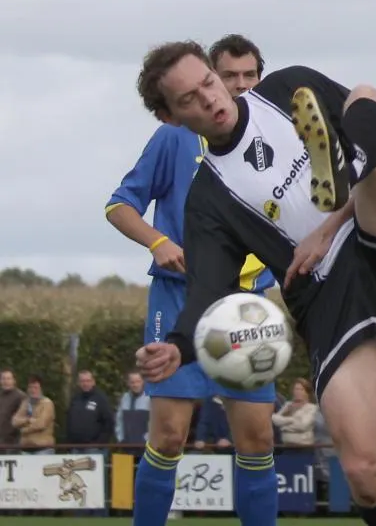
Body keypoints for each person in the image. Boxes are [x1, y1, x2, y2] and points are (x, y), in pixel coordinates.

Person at [130, 41, 376, 526]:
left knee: (367, 100)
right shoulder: (207, 199)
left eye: (208, 82)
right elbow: (208, 291)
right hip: (330, 294)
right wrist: (178, 346)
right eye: (189, 99)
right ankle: (344, 174)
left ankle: (347, 170)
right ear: (170, 118)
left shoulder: (290, 88)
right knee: (365, 475)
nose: (209, 98)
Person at [105, 34, 280, 526]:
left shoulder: (274, 134)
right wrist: (158, 242)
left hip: (246, 307)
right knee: (167, 438)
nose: (240, 86)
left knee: (258, 441)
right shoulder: (175, 138)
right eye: (228, 76)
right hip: (178, 298)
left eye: (251, 76)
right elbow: (119, 204)